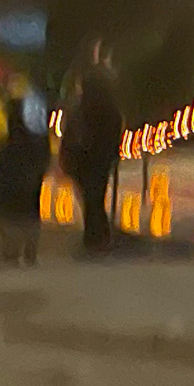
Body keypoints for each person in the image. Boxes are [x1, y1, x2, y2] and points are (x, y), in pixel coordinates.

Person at [64, 42, 123, 257]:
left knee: (91, 198)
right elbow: (115, 129)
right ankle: (97, 237)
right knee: (95, 196)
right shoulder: (108, 107)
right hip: (100, 157)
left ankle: (96, 237)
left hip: (83, 157)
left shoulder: (81, 107)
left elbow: (72, 131)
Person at [0, 74, 51, 267]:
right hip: (30, 179)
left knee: (8, 215)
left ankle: (10, 253)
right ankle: (30, 253)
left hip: (9, 181)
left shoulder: (4, 142)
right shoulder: (37, 137)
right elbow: (43, 154)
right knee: (30, 212)